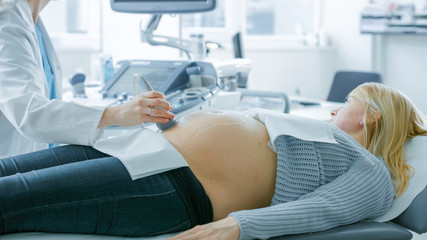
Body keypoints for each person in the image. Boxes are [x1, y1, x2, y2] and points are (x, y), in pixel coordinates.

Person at [0, 82, 426, 239]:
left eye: (348, 102)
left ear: (371, 115)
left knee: (11, 196)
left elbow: (318, 211)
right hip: (135, 148)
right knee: (7, 173)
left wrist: (239, 225)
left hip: (173, 184)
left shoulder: (372, 174)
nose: (335, 109)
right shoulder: (318, 129)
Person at [0, 0, 175, 158]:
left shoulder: (32, 20)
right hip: (11, 167)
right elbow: (31, 114)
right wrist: (118, 114)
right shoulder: (6, 21)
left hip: (36, 156)